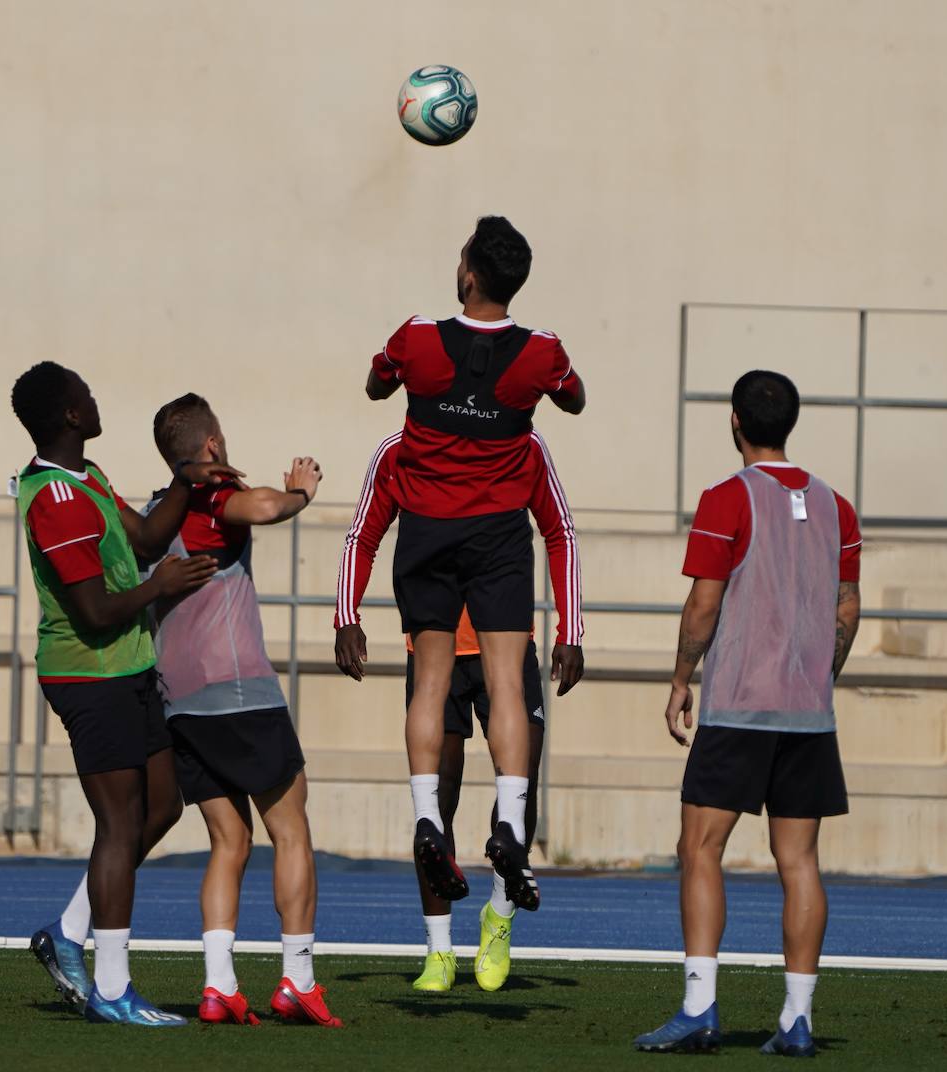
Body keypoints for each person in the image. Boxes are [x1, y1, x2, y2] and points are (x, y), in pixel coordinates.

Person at [634, 370, 862, 1057]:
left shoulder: (726, 498)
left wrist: (680, 678)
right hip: (808, 716)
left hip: (737, 707)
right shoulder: (837, 507)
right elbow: (847, 611)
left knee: (700, 848)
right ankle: (797, 1019)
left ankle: (701, 1007)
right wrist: (822, 679)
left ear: (735, 421)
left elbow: (704, 603)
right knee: (800, 862)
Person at [364, 215, 586, 914]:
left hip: (428, 529)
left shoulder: (418, 337)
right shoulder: (541, 350)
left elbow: (375, 384)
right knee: (508, 690)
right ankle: (512, 828)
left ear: (467, 274)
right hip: (496, 533)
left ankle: (429, 817)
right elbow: (575, 398)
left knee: (429, 683)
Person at [12, 362, 237, 1027]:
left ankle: (69, 931)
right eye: (84, 391)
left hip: (129, 667)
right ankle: (111, 986)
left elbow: (146, 537)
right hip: (88, 672)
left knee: (161, 805)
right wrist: (160, 587)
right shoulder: (53, 497)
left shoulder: (91, 477)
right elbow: (94, 610)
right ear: (70, 415)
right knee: (118, 822)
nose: (93, 395)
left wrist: (187, 481)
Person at [333, 428, 583, 992]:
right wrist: (346, 614)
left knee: (519, 791)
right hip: (435, 653)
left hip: (507, 650)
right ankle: (440, 949)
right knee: (435, 800)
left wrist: (573, 626)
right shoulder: (399, 450)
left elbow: (559, 531)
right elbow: (362, 535)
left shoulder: (517, 444)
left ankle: (498, 919)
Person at [146, 393, 341, 1029]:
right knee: (292, 829)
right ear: (209, 447)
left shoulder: (154, 510)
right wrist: (300, 493)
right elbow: (256, 506)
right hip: (238, 694)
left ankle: (219, 986)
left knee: (228, 840)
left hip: (179, 702)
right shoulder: (210, 498)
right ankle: (298, 980)